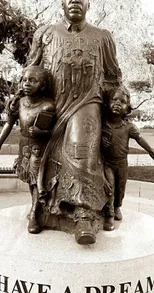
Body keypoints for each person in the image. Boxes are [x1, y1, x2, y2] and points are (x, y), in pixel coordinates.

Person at [25, 0, 122, 245]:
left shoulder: (102, 37)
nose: (75, 1)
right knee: (41, 157)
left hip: (87, 103)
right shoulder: (45, 34)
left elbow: (113, 77)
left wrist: (114, 112)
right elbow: (32, 69)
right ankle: (42, 206)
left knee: (82, 152)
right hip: (52, 104)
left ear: (88, 3)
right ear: (62, 2)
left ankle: (84, 214)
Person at [0, 65, 56, 234]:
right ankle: (36, 208)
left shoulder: (48, 106)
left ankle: (34, 214)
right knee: (29, 181)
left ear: (43, 85)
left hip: (39, 148)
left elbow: (54, 132)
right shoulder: (18, 103)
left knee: (37, 180)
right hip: (24, 146)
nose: (27, 84)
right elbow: (8, 124)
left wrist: (42, 132)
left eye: (33, 80)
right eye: (25, 80)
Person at [101, 86, 154, 231]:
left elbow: (139, 139)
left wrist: (150, 151)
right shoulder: (102, 125)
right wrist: (101, 142)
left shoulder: (128, 127)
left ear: (127, 108)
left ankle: (117, 207)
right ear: (107, 103)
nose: (118, 103)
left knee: (121, 188)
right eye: (114, 99)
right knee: (110, 187)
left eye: (122, 101)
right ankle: (109, 214)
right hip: (107, 163)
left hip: (122, 163)